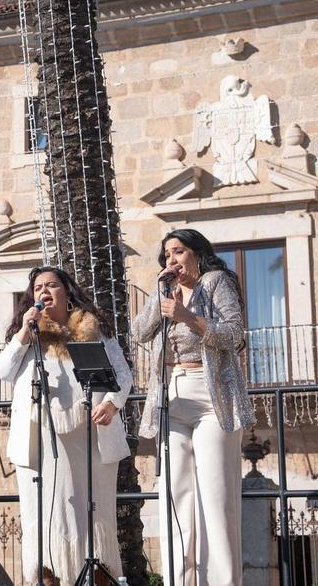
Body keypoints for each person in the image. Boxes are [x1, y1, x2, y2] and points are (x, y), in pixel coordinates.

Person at [0, 266, 133, 585]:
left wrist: (111, 404)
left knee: (93, 518)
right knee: (44, 519)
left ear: (67, 292)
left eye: (52, 285)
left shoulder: (92, 329)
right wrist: (23, 334)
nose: (44, 291)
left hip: (89, 437)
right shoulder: (30, 334)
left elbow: (123, 375)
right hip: (40, 439)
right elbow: (1, 370)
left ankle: (96, 578)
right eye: (38, 287)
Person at [131, 228, 255, 586]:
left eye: (179, 251)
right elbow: (139, 333)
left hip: (211, 395)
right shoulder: (166, 292)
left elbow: (234, 335)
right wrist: (160, 296)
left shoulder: (215, 282)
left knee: (217, 498)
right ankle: (180, 582)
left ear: (197, 254)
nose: (172, 259)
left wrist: (187, 316)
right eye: (167, 254)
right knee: (176, 498)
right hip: (171, 396)